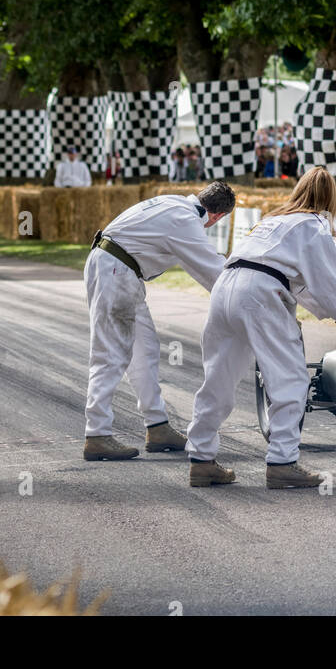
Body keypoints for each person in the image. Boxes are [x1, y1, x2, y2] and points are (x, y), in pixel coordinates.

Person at [185, 166, 336, 489]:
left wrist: (325, 312)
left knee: (218, 377)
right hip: (259, 293)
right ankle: (282, 462)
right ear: (330, 199)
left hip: (226, 286)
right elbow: (329, 285)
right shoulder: (315, 226)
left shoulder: (270, 222)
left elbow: (301, 287)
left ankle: (201, 459)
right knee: (291, 380)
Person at [83, 181, 235, 461]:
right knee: (112, 354)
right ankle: (97, 433)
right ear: (218, 216)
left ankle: (157, 425)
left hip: (115, 267)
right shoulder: (185, 221)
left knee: (144, 350)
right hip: (117, 271)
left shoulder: (174, 203)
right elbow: (214, 272)